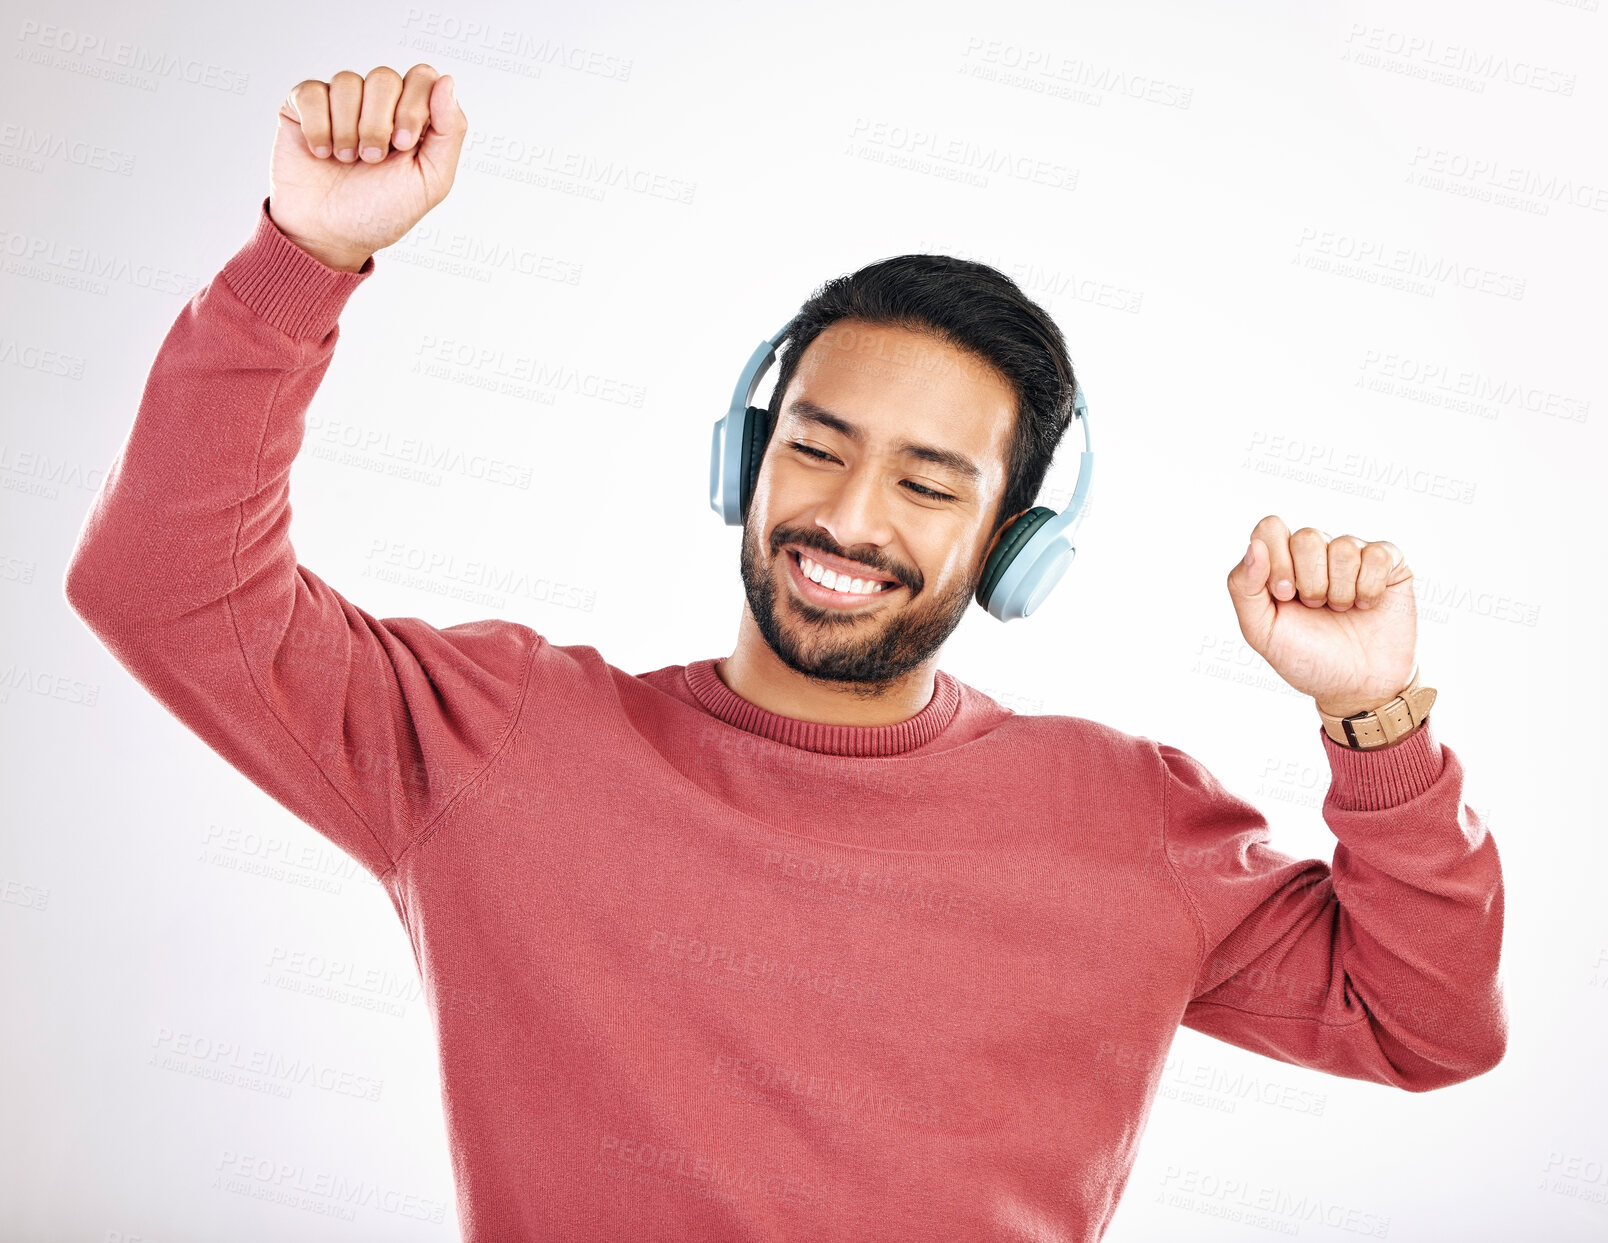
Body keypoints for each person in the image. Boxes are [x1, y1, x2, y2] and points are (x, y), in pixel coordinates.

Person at [64, 62, 1506, 1243]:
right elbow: (166, 587)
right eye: (814, 447)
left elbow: (1425, 1025)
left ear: (1015, 545)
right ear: (745, 458)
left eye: (932, 486)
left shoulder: (1131, 822)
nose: (849, 517)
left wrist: (1377, 718)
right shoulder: (496, 740)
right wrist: (303, 257)